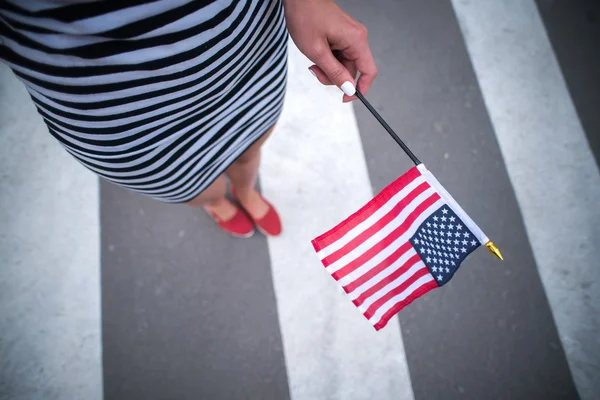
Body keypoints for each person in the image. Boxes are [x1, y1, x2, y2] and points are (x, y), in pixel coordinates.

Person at [0, 0, 378, 237]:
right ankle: (218, 202)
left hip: (242, 55)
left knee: (250, 147)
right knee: (188, 184)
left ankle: (245, 190)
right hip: (118, 108)